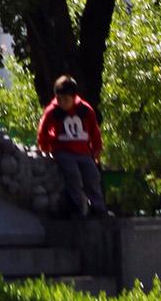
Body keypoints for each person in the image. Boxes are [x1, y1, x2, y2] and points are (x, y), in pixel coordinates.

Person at [36, 74, 108, 217]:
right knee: (73, 175)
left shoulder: (85, 110)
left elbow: (94, 131)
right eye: (59, 99)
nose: (62, 103)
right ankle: (79, 207)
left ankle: (98, 207)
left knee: (92, 176)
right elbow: (43, 130)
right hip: (63, 151)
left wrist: (97, 149)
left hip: (83, 152)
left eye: (66, 99)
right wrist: (45, 147)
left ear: (74, 97)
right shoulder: (53, 111)